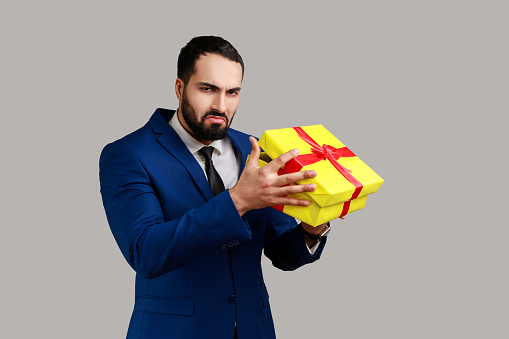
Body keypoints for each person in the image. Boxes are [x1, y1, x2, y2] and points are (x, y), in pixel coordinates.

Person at [99, 36, 334, 339]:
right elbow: (146, 252)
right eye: (208, 89)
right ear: (180, 88)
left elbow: (281, 253)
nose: (221, 105)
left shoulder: (255, 151)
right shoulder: (128, 154)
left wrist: (311, 230)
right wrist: (237, 201)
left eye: (232, 92)